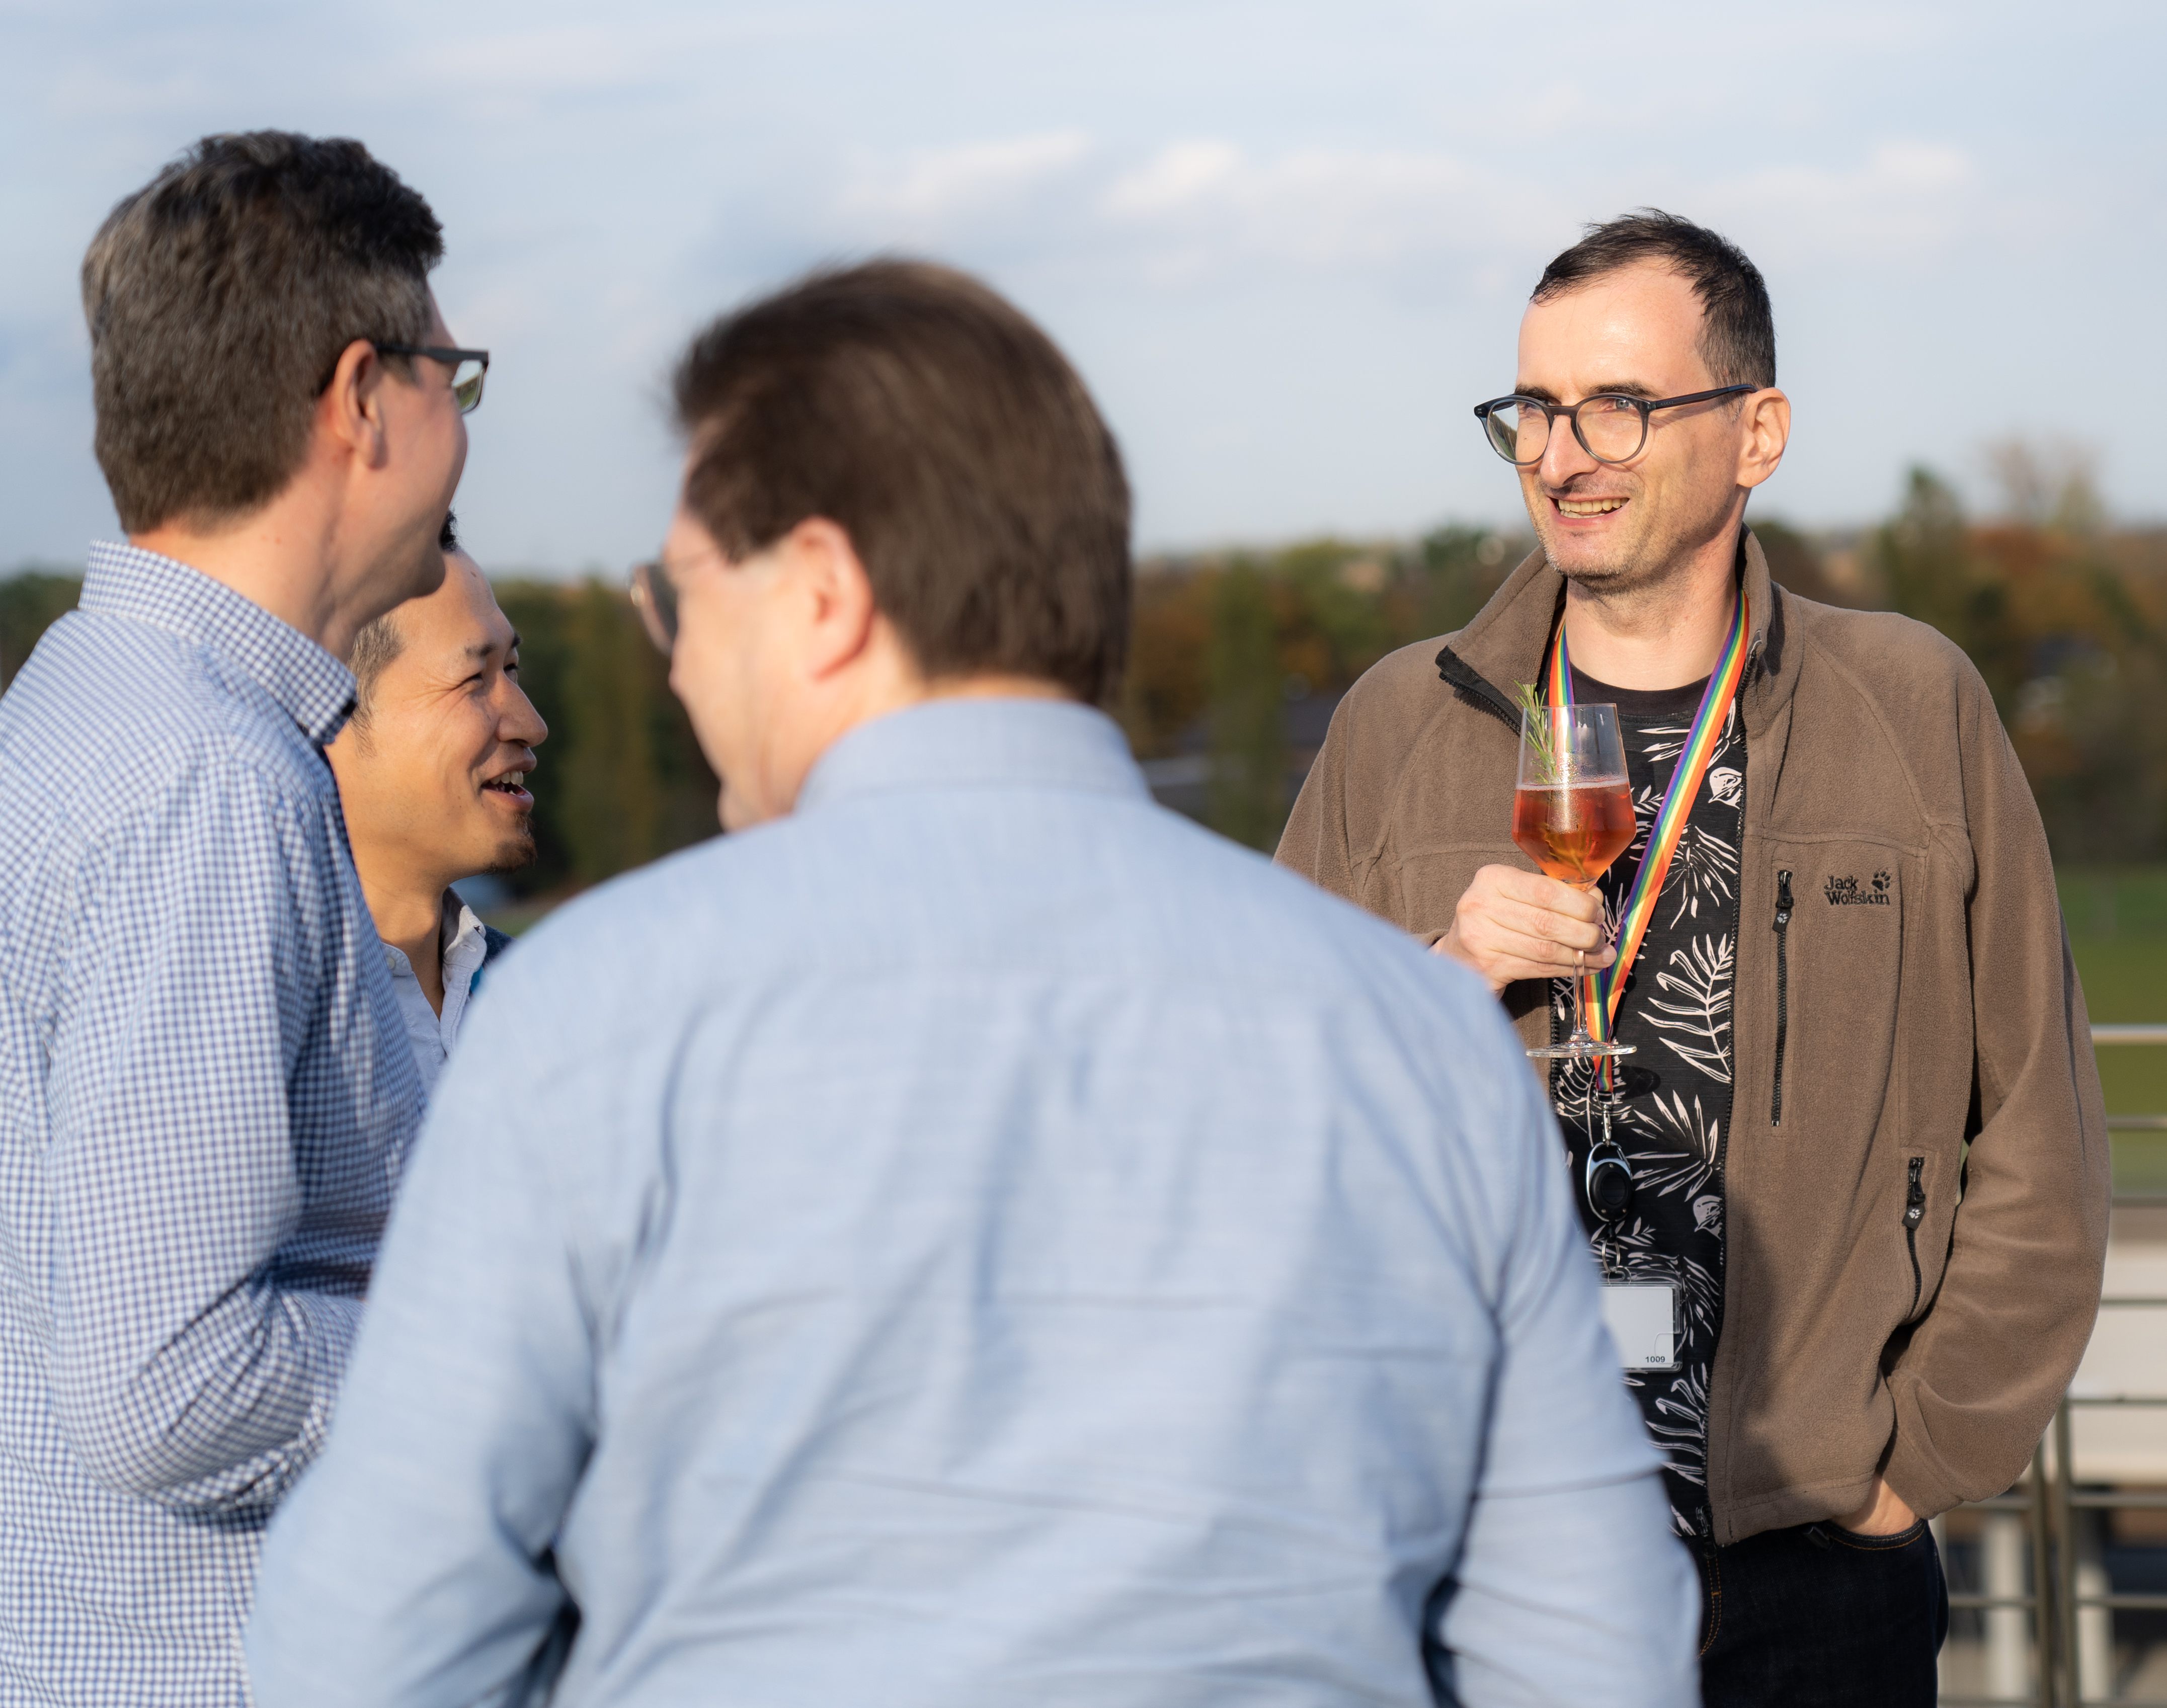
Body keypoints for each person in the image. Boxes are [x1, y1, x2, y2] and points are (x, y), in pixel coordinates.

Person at [246, 260, 1699, 1707]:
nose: (678, 674)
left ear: (821, 595)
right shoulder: (1418, 1040)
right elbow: (1590, 1644)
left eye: (682, 604)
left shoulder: (593, 1017)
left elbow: (372, 1644)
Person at [1277, 210, 2110, 1705]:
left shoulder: (1912, 706)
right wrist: (1442, 969)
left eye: (1615, 406)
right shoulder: (1400, 723)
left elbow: (2039, 1136)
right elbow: (1262, 1111)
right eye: (1529, 409)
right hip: (1484, 1552)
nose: (1557, 453)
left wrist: (1904, 1469)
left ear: (1756, 431)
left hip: (1812, 1575)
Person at [0, 131, 473, 1701]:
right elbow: (169, 1385)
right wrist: (514, 1359)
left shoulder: (80, 708)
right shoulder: (209, 775)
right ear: (359, 402)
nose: (458, 429)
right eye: (449, 381)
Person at [328, 513, 546, 1093]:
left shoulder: (544, 1005)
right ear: (327, 716)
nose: (531, 723)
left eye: (512, 669)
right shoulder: (258, 1031)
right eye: (475, 679)